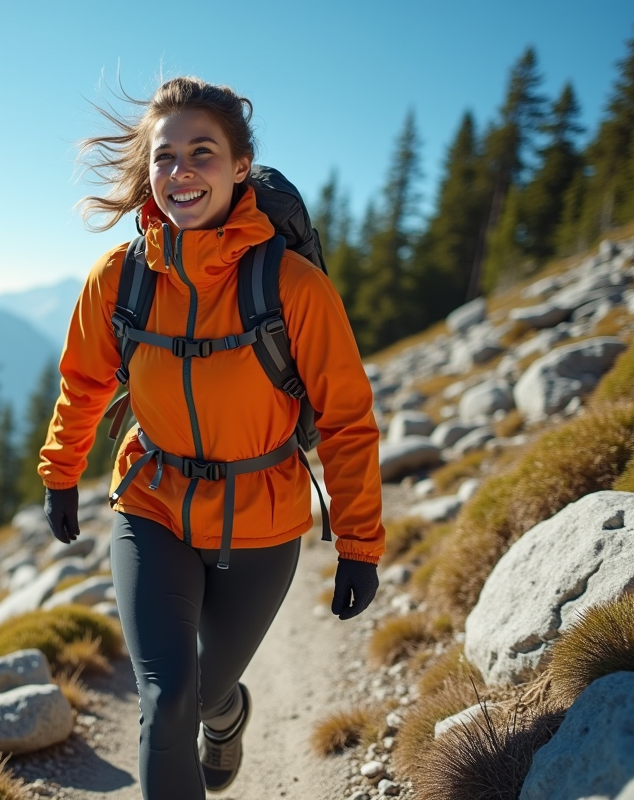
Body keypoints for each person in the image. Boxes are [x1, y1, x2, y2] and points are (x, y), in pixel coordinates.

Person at [37, 76, 386, 799]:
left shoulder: (290, 285)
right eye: (165, 157)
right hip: (152, 507)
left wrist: (358, 544)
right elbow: (85, 383)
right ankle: (205, 717)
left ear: (238, 167)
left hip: (262, 520)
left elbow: (347, 419)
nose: (181, 172)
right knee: (167, 703)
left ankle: (225, 717)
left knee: (204, 692)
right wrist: (61, 471)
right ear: (148, 169)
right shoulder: (119, 278)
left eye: (202, 152)